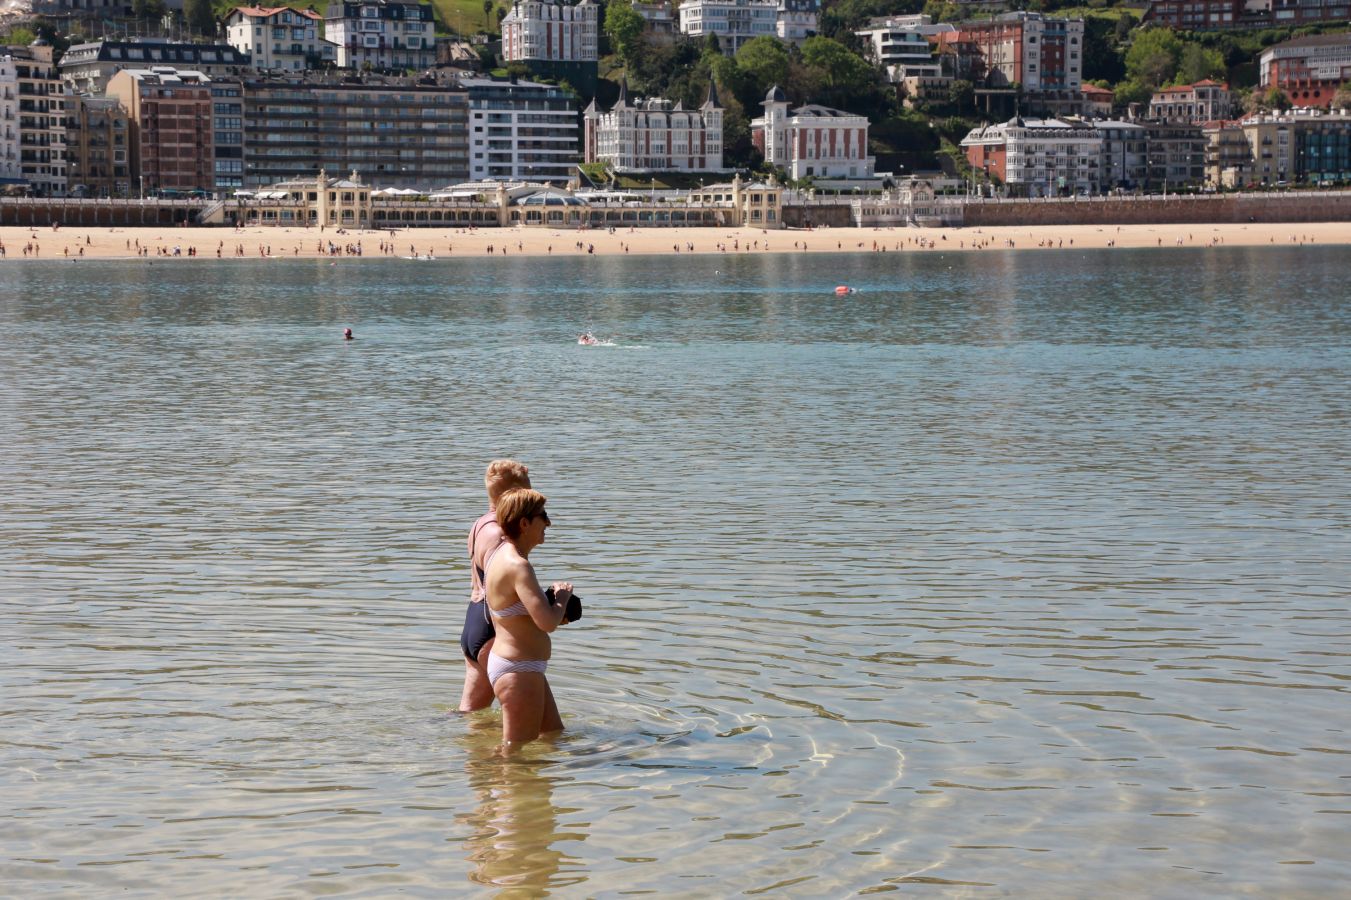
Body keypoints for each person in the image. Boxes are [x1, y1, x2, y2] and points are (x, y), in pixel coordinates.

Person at [483, 488, 574, 746]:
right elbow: (547, 623)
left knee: (553, 736)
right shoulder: (518, 566)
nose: (548, 522)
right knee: (515, 753)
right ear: (524, 523)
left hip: (522, 666)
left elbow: (526, 616)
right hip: (518, 669)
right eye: (542, 516)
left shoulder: (501, 554)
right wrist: (561, 598)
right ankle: (480, 777)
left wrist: (555, 610)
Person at [459, 460, 533, 712]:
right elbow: (499, 585)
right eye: (526, 494)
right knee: (526, 712)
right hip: (492, 626)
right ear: (512, 494)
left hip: (474, 621)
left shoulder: (480, 524)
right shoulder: (501, 532)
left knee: (470, 712)